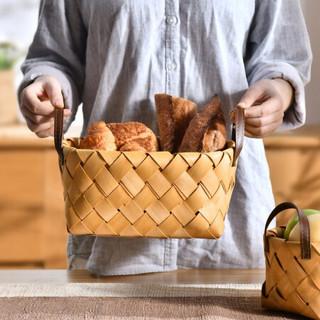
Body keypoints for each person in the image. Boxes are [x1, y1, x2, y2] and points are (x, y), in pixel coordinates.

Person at [18, 0, 312, 275]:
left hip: (230, 222)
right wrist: (48, 87)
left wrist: (279, 91)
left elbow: (282, 57)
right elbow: (55, 57)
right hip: (112, 227)